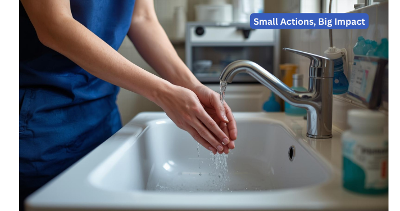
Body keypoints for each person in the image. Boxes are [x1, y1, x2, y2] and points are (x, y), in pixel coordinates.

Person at [19, 0, 237, 209]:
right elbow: (54, 24)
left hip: (102, 114)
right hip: (40, 123)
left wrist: (193, 86)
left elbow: (142, 18)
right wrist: (162, 92)